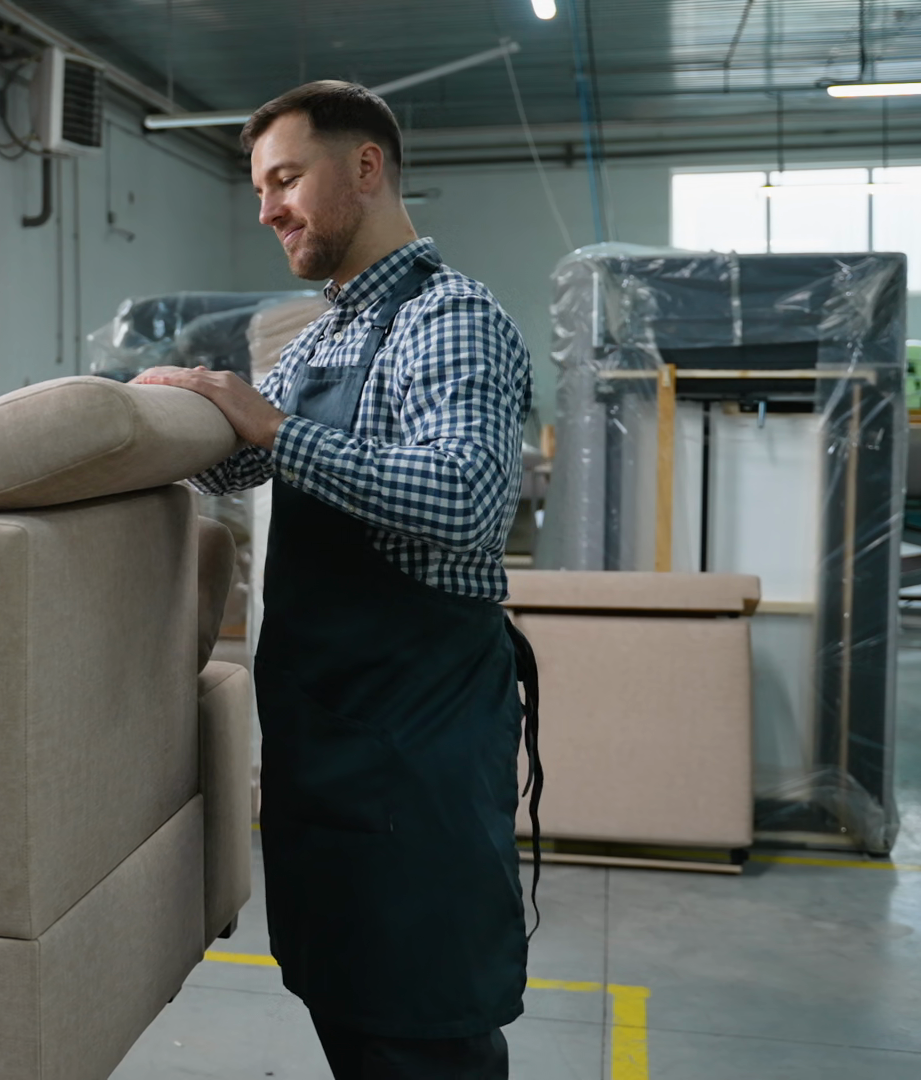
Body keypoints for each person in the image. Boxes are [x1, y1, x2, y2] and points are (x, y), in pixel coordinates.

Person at [135, 81, 540, 1079]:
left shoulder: (447, 317)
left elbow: (466, 498)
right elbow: (239, 458)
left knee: (422, 1027)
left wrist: (271, 426)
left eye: (285, 179)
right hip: (330, 747)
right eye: (259, 189)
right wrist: (161, 417)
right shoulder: (326, 335)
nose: (266, 209)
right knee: (350, 1008)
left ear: (364, 167)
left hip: (417, 752)